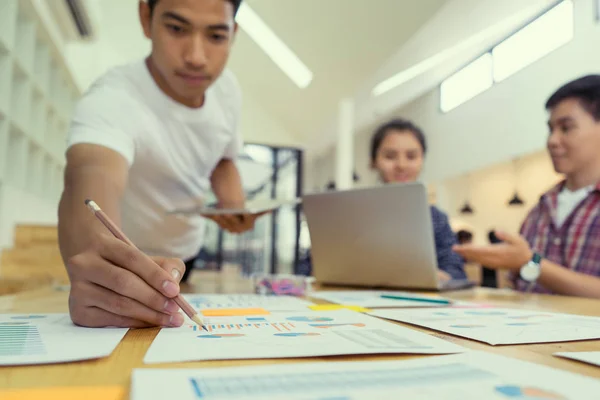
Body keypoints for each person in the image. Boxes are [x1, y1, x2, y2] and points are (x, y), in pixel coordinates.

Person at [58, 0, 264, 329]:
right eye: (177, 29)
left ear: (233, 33)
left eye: (216, 36)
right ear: (145, 17)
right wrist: (94, 264)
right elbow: (89, 174)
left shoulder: (227, 90)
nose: (196, 57)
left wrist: (232, 204)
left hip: (188, 253)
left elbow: (222, 158)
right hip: (127, 267)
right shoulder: (112, 99)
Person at [453, 75, 600, 298]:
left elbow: (533, 263)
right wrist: (524, 261)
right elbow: (531, 267)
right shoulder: (542, 206)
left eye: (566, 128)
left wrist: (529, 262)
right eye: (550, 129)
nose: (552, 140)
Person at [370, 118, 467, 281]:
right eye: (390, 156)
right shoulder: (350, 214)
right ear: (373, 161)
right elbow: (314, 265)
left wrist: (439, 277)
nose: (401, 165)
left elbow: (456, 271)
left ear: (422, 160)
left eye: (411, 156)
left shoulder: (436, 219)